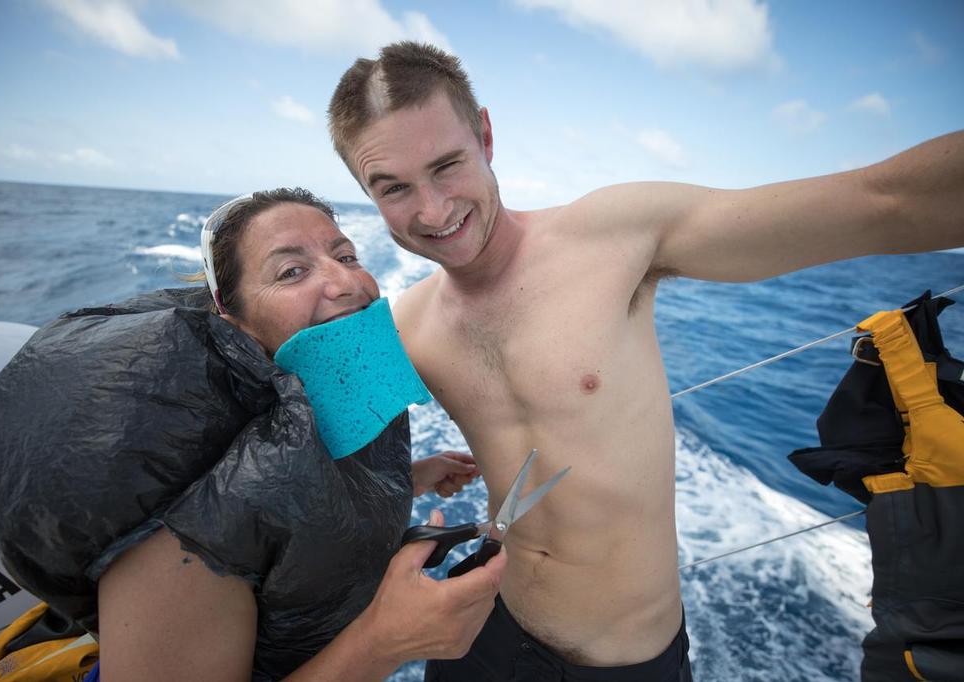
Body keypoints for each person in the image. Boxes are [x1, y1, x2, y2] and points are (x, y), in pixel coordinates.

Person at [326, 42, 964, 681]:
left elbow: (887, 202)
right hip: (477, 631)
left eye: (447, 165)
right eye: (395, 188)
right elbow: (309, 470)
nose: (433, 210)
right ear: (366, 191)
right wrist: (412, 476)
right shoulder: (404, 326)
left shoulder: (614, 237)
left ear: (486, 135)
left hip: (625, 662)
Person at [0, 188, 504, 682]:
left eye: (345, 255)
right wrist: (386, 643)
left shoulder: (319, 393)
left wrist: (415, 478)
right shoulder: (185, 526)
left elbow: (301, 501)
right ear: (231, 314)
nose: (347, 282)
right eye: (291, 272)